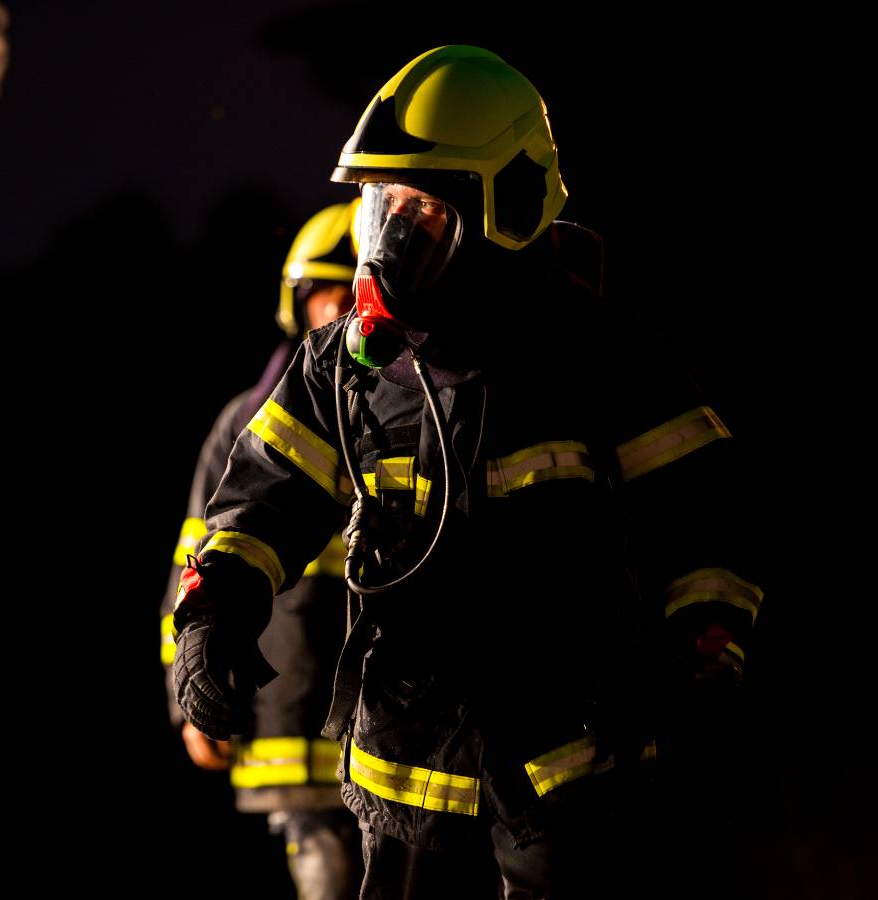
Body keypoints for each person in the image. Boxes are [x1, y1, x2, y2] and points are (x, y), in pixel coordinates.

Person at [170, 45, 764, 898]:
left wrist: (708, 655)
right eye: (382, 206)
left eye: (425, 209)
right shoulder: (342, 367)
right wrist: (210, 620)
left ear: (508, 209)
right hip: (404, 789)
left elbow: (707, 515)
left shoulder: (603, 358)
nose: (391, 240)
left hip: (575, 782)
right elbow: (258, 502)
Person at [161, 201, 362, 899]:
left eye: (352, 288)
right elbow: (196, 564)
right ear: (296, 300)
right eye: (323, 293)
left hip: (396, 722)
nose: (336, 309)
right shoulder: (247, 422)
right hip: (285, 717)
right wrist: (185, 697)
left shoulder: (411, 405)